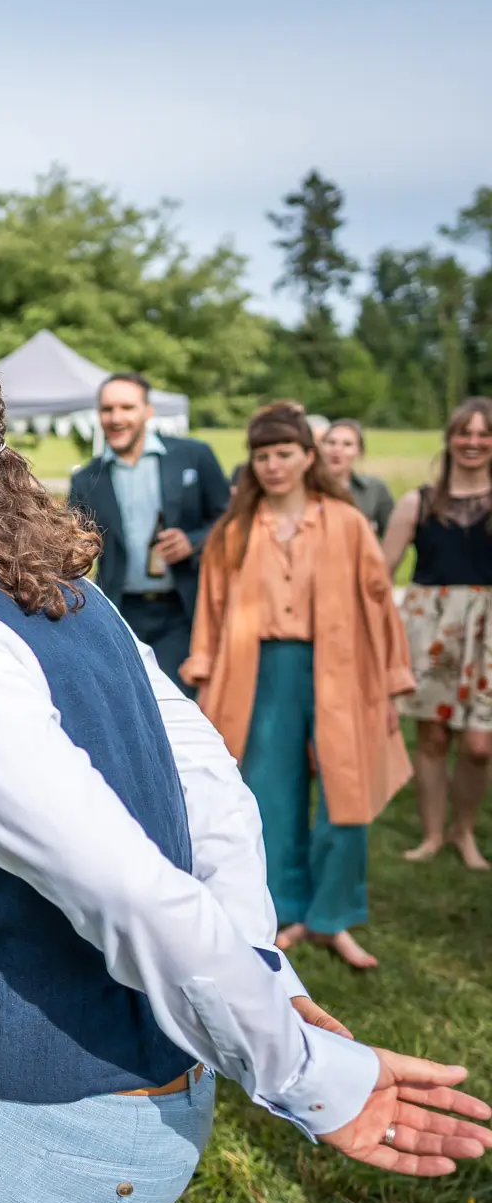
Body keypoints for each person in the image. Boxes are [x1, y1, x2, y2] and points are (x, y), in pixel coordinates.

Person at [0, 328, 491, 1203]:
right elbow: (214, 794)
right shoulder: (59, 582)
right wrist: (267, 981)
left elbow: (123, 882)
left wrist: (303, 1071)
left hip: (31, 1123)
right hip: (149, 1103)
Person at [181, 403, 413, 971]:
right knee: (269, 794)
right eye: (262, 456)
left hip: (344, 669)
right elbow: (212, 610)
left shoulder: (347, 523)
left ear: (310, 457)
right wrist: (204, 673)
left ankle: (333, 917)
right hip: (260, 673)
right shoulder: (234, 531)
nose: (273, 465)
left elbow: (379, 606)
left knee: (346, 794)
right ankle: (282, 910)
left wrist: (391, 685)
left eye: (285, 453)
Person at [67, 373, 232, 690]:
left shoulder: (194, 456)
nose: (116, 417)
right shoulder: (86, 479)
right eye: (107, 409)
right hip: (121, 612)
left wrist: (193, 541)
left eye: (127, 407)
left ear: (148, 411)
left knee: (180, 702)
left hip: (183, 610)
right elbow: (74, 545)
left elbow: (230, 518)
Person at [382, 396, 492, 871]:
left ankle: (463, 831)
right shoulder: (420, 502)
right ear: (450, 439)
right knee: (431, 737)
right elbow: (380, 573)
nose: (473, 442)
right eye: (464, 432)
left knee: (479, 745)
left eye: (484, 433)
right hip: (431, 627)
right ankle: (431, 834)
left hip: (488, 632)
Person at [320, 418, 395, 539]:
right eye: (331, 443)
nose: (337, 449)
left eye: (347, 444)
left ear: (359, 452)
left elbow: (391, 535)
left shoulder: (375, 488)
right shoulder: (305, 487)